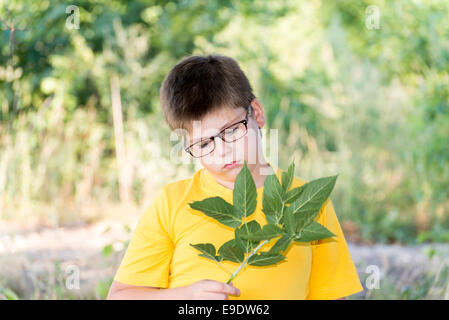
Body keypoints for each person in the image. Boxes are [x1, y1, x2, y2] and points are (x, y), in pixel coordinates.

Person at [107, 54, 363, 300]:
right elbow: (121, 296)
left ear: (257, 113)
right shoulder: (171, 203)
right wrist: (185, 297)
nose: (222, 151)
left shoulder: (308, 202)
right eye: (204, 144)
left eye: (230, 131)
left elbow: (330, 296)